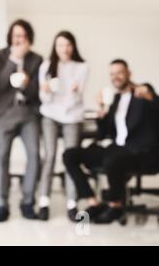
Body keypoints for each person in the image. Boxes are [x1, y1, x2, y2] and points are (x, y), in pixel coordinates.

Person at [63, 59, 159, 224]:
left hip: (141, 151)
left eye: (120, 72)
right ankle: (94, 201)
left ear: (129, 73)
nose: (116, 77)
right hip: (116, 148)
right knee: (70, 155)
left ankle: (115, 205)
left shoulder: (143, 93)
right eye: (112, 74)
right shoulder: (114, 100)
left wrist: (150, 97)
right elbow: (104, 134)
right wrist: (101, 112)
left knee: (112, 159)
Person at [0, 19, 43, 221]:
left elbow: (37, 91)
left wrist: (27, 83)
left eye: (23, 36)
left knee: (35, 155)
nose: (19, 39)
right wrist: (13, 59)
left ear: (29, 38)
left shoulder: (37, 59)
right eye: (15, 36)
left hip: (28, 112)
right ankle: (1, 203)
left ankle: (28, 201)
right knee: (1, 157)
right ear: (10, 38)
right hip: (3, 113)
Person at [37, 31, 88, 221]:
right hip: (50, 115)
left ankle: (72, 204)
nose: (64, 49)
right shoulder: (46, 66)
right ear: (55, 47)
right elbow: (44, 99)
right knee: (49, 156)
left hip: (72, 116)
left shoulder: (82, 67)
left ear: (73, 46)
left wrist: (65, 94)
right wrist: (48, 90)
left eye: (67, 45)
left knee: (70, 158)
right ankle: (43, 202)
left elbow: (76, 98)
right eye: (60, 45)